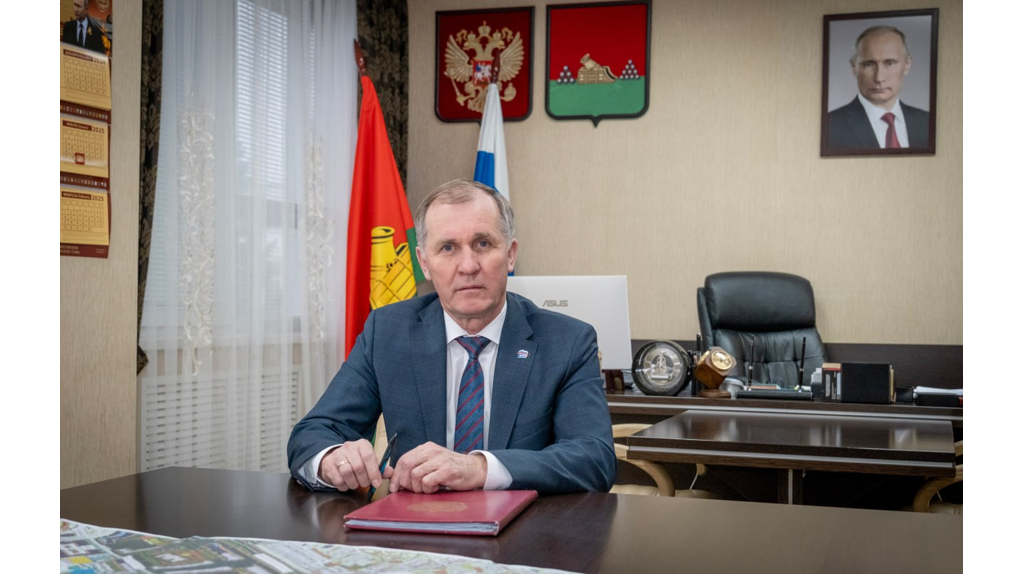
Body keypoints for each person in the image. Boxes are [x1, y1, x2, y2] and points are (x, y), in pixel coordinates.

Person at [287, 179, 616, 494]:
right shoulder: (387, 331)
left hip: (528, 525)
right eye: (448, 248)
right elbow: (312, 434)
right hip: (414, 522)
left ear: (510, 254)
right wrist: (332, 460)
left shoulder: (567, 341)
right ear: (424, 263)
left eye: (483, 244)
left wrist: (478, 468)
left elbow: (593, 458)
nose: (468, 266)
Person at [827, 25, 929, 150]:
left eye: (889, 63)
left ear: (907, 64)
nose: (879, 78)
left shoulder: (928, 122)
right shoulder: (829, 125)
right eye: (869, 64)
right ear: (854, 67)